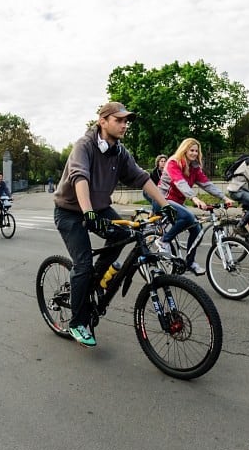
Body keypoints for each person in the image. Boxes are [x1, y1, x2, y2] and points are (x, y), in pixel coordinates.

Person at [54, 101, 174, 347]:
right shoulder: (84, 146)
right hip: (70, 211)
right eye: (119, 120)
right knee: (83, 263)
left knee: (123, 233)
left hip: (98, 208)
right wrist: (87, 212)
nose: (124, 125)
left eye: (126, 121)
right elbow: (80, 178)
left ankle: (95, 281)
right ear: (103, 121)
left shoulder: (119, 152)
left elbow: (141, 177)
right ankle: (77, 322)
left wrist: (166, 205)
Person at [156, 139, 235, 275]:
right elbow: (180, 183)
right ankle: (164, 241)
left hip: (176, 203)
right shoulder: (173, 162)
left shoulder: (194, 168)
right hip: (161, 200)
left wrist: (224, 197)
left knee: (197, 229)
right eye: (191, 150)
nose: (194, 153)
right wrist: (194, 198)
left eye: (196, 151)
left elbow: (207, 184)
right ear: (184, 150)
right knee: (188, 216)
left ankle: (190, 262)